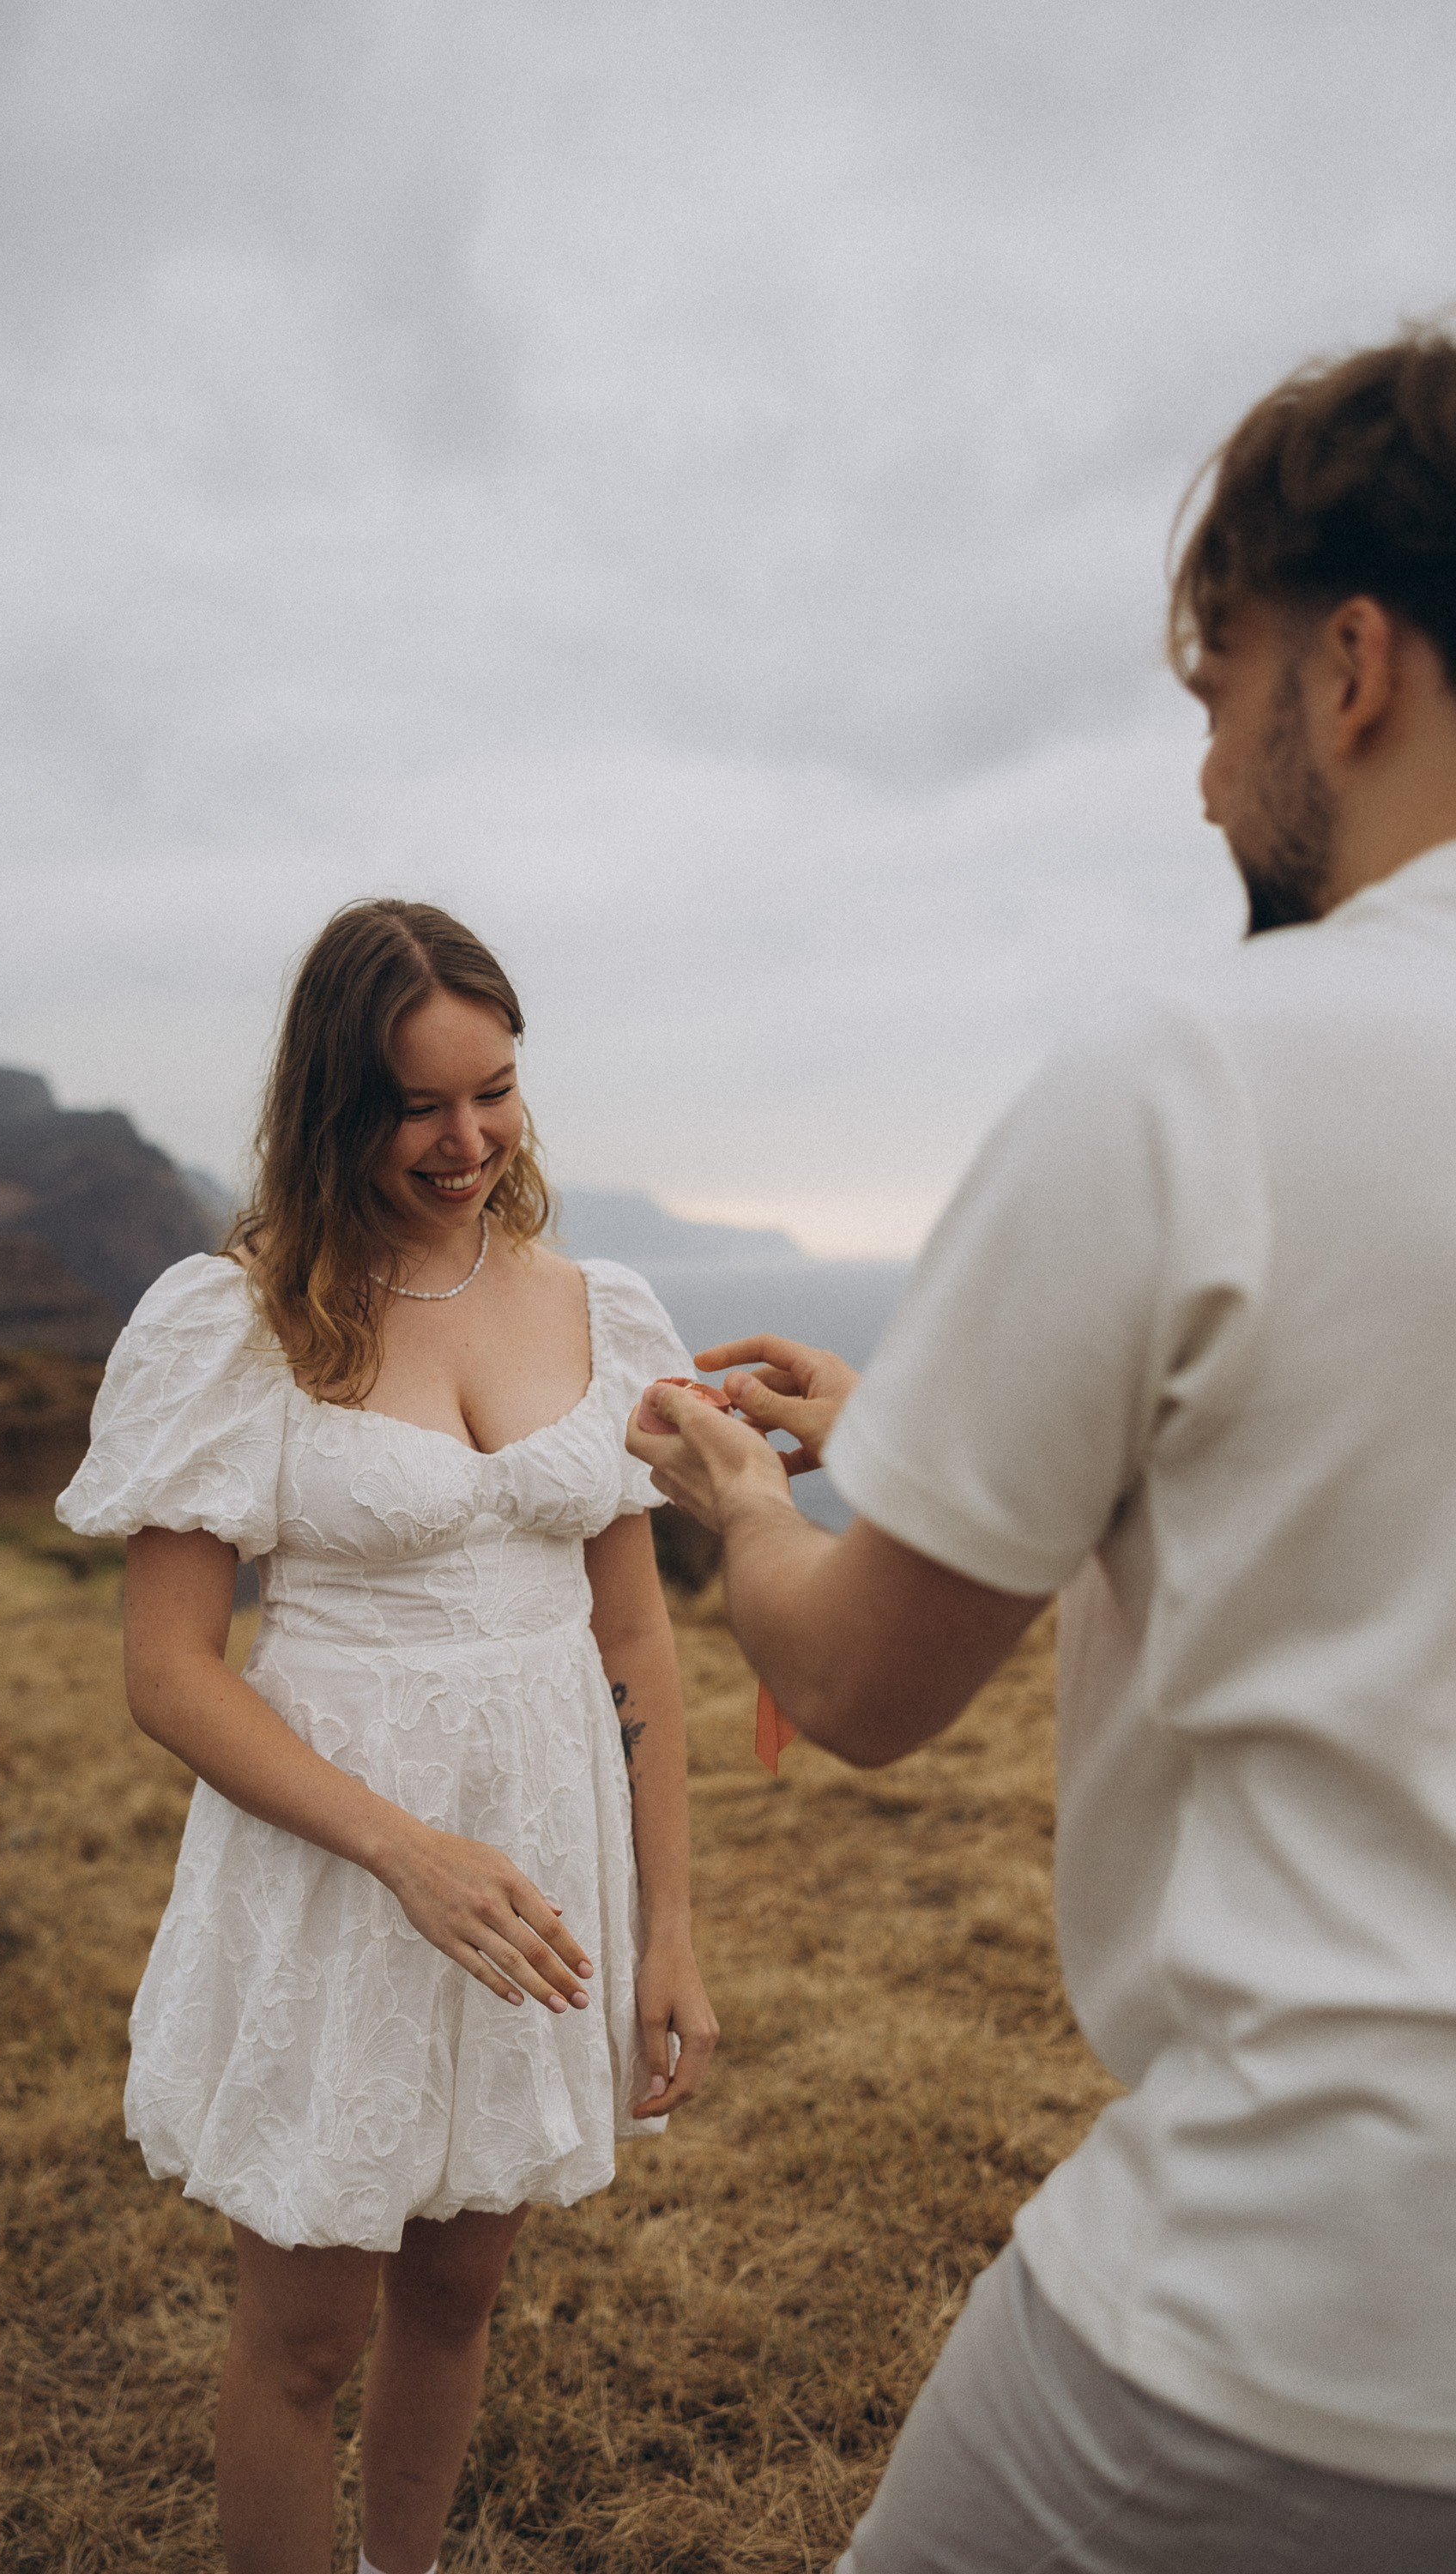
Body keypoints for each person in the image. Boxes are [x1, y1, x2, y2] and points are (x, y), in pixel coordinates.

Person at [630, 329, 1456, 2570]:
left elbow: (874, 1689)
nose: (1207, 786)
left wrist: (743, 1511)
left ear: (1355, 665)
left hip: (1292, 2302)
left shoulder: (1194, 1071)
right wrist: (922, 1425)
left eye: (1219, 700)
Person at [57, 899, 717, 2574]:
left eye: (492, 1090)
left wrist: (671, 1930)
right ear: (333, 1106)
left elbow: (632, 1631)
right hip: (348, 1865)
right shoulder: (236, 1323)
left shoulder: (602, 1305)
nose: (467, 1138)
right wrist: (401, 1851)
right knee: (301, 2334)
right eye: (418, 1104)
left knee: (460, 2286)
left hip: (543, 1870)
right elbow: (174, 1669)